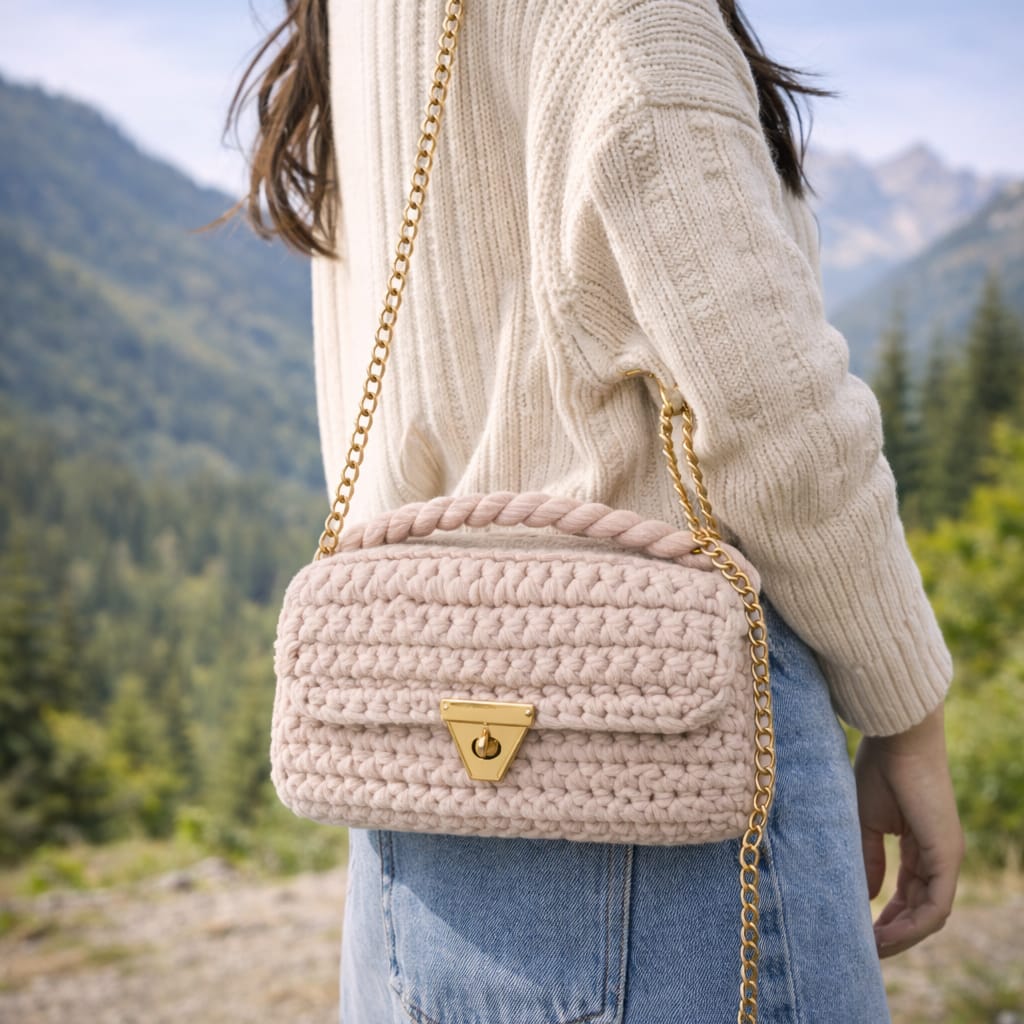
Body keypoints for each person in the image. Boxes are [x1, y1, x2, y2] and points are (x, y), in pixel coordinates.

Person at [228, 1, 964, 1020]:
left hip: (410, 771)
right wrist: (905, 713)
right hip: (670, 765)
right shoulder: (622, 14)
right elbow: (769, 410)